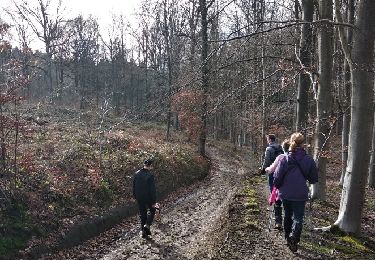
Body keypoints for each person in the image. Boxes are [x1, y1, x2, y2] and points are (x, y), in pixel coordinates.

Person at [273, 133, 318, 252]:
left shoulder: (285, 158)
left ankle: (288, 237)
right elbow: (313, 179)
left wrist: (276, 187)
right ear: (303, 144)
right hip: (300, 194)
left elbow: (277, 177)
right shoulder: (309, 159)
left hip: (286, 194)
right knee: (298, 218)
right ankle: (294, 238)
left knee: (287, 215)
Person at [261, 134, 283, 229]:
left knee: (273, 191)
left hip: (271, 172)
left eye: (267, 139)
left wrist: (263, 169)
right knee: (279, 190)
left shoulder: (269, 149)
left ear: (270, 139)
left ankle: (276, 210)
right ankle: (279, 209)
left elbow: (266, 162)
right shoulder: (280, 147)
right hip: (281, 172)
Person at [133, 159, 157, 239]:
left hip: (139, 197)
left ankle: (143, 233)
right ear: (151, 166)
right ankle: (147, 224)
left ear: (144, 164)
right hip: (148, 197)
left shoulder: (136, 174)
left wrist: (135, 196)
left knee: (143, 214)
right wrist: (154, 201)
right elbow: (152, 190)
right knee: (152, 210)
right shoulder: (150, 175)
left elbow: (134, 186)